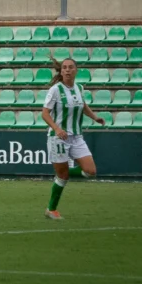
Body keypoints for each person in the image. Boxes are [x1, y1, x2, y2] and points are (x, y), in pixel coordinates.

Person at [42, 58, 105, 220]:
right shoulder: (55, 90)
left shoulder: (79, 88)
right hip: (58, 138)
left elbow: (82, 105)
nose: (67, 70)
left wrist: (94, 117)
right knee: (63, 177)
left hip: (76, 137)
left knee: (91, 171)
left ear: (76, 70)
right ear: (61, 71)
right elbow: (44, 113)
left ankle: (61, 174)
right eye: (64, 68)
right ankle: (51, 209)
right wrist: (57, 128)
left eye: (70, 67)